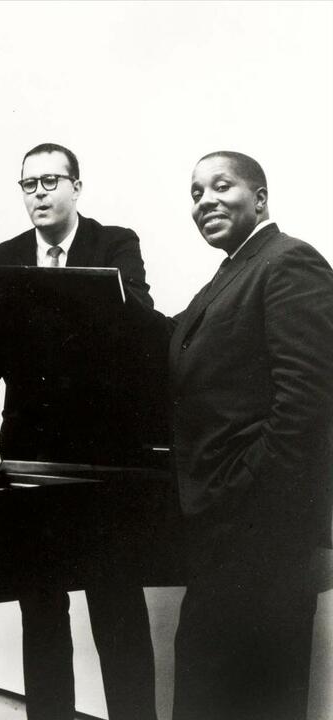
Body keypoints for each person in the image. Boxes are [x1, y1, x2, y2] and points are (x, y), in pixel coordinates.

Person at [0, 143, 159, 720]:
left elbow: (137, 326)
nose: (40, 193)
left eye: (51, 181)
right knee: (40, 603)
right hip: (31, 449)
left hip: (104, 453)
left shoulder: (115, 244)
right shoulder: (3, 257)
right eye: (29, 184)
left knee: (115, 600)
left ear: (77, 186)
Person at [170, 151, 333, 720]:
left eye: (222, 186)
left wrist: (239, 489)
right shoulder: (234, 270)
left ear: (260, 198)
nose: (205, 201)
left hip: (263, 534)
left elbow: (306, 404)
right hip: (230, 532)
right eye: (196, 193)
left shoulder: (288, 262)